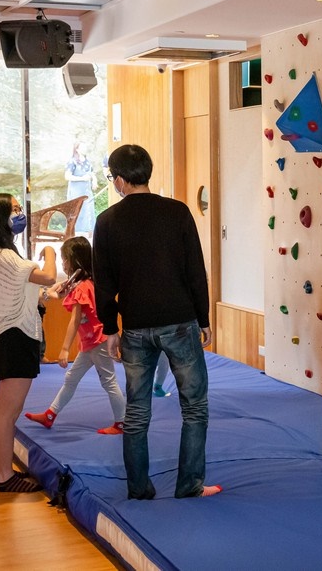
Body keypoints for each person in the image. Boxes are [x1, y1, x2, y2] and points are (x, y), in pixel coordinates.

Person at [94, 144, 221, 499]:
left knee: (136, 412)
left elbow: (104, 283)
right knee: (194, 407)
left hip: (134, 326)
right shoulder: (178, 212)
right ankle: (190, 485)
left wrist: (109, 328)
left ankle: (139, 489)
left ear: (119, 180)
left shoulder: (106, 222)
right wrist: (203, 317)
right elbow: (196, 271)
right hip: (180, 321)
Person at [0, 193, 57, 493]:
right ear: (0, 218)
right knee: (9, 412)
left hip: (9, 337)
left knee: (2, 411)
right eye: (14, 209)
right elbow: (47, 276)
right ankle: (7, 476)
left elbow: (32, 288)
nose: (20, 214)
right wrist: (50, 250)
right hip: (16, 338)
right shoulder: (5, 256)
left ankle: (0, 471)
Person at [25, 237, 126, 434]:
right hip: (90, 342)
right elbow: (60, 295)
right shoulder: (85, 283)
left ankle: (121, 423)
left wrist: (64, 349)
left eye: (64, 259)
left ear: (75, 260)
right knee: (72, 378)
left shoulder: (83, 286)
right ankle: (50, 414)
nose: (63, 263)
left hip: (98, 341)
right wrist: (52, 292)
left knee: (109, 381)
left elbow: (75, 320)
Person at [65, 142, 97, 235]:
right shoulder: (72, 161)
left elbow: (92, 172)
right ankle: (75, 233)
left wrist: (94, 180)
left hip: (87, 191)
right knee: (77, 210)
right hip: (76, 192)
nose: (85, 148)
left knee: (89, 210)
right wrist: (82, 178)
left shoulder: (87, 161)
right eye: (82, 147)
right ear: (77, 149)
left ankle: (91, 233)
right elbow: (67, 176)